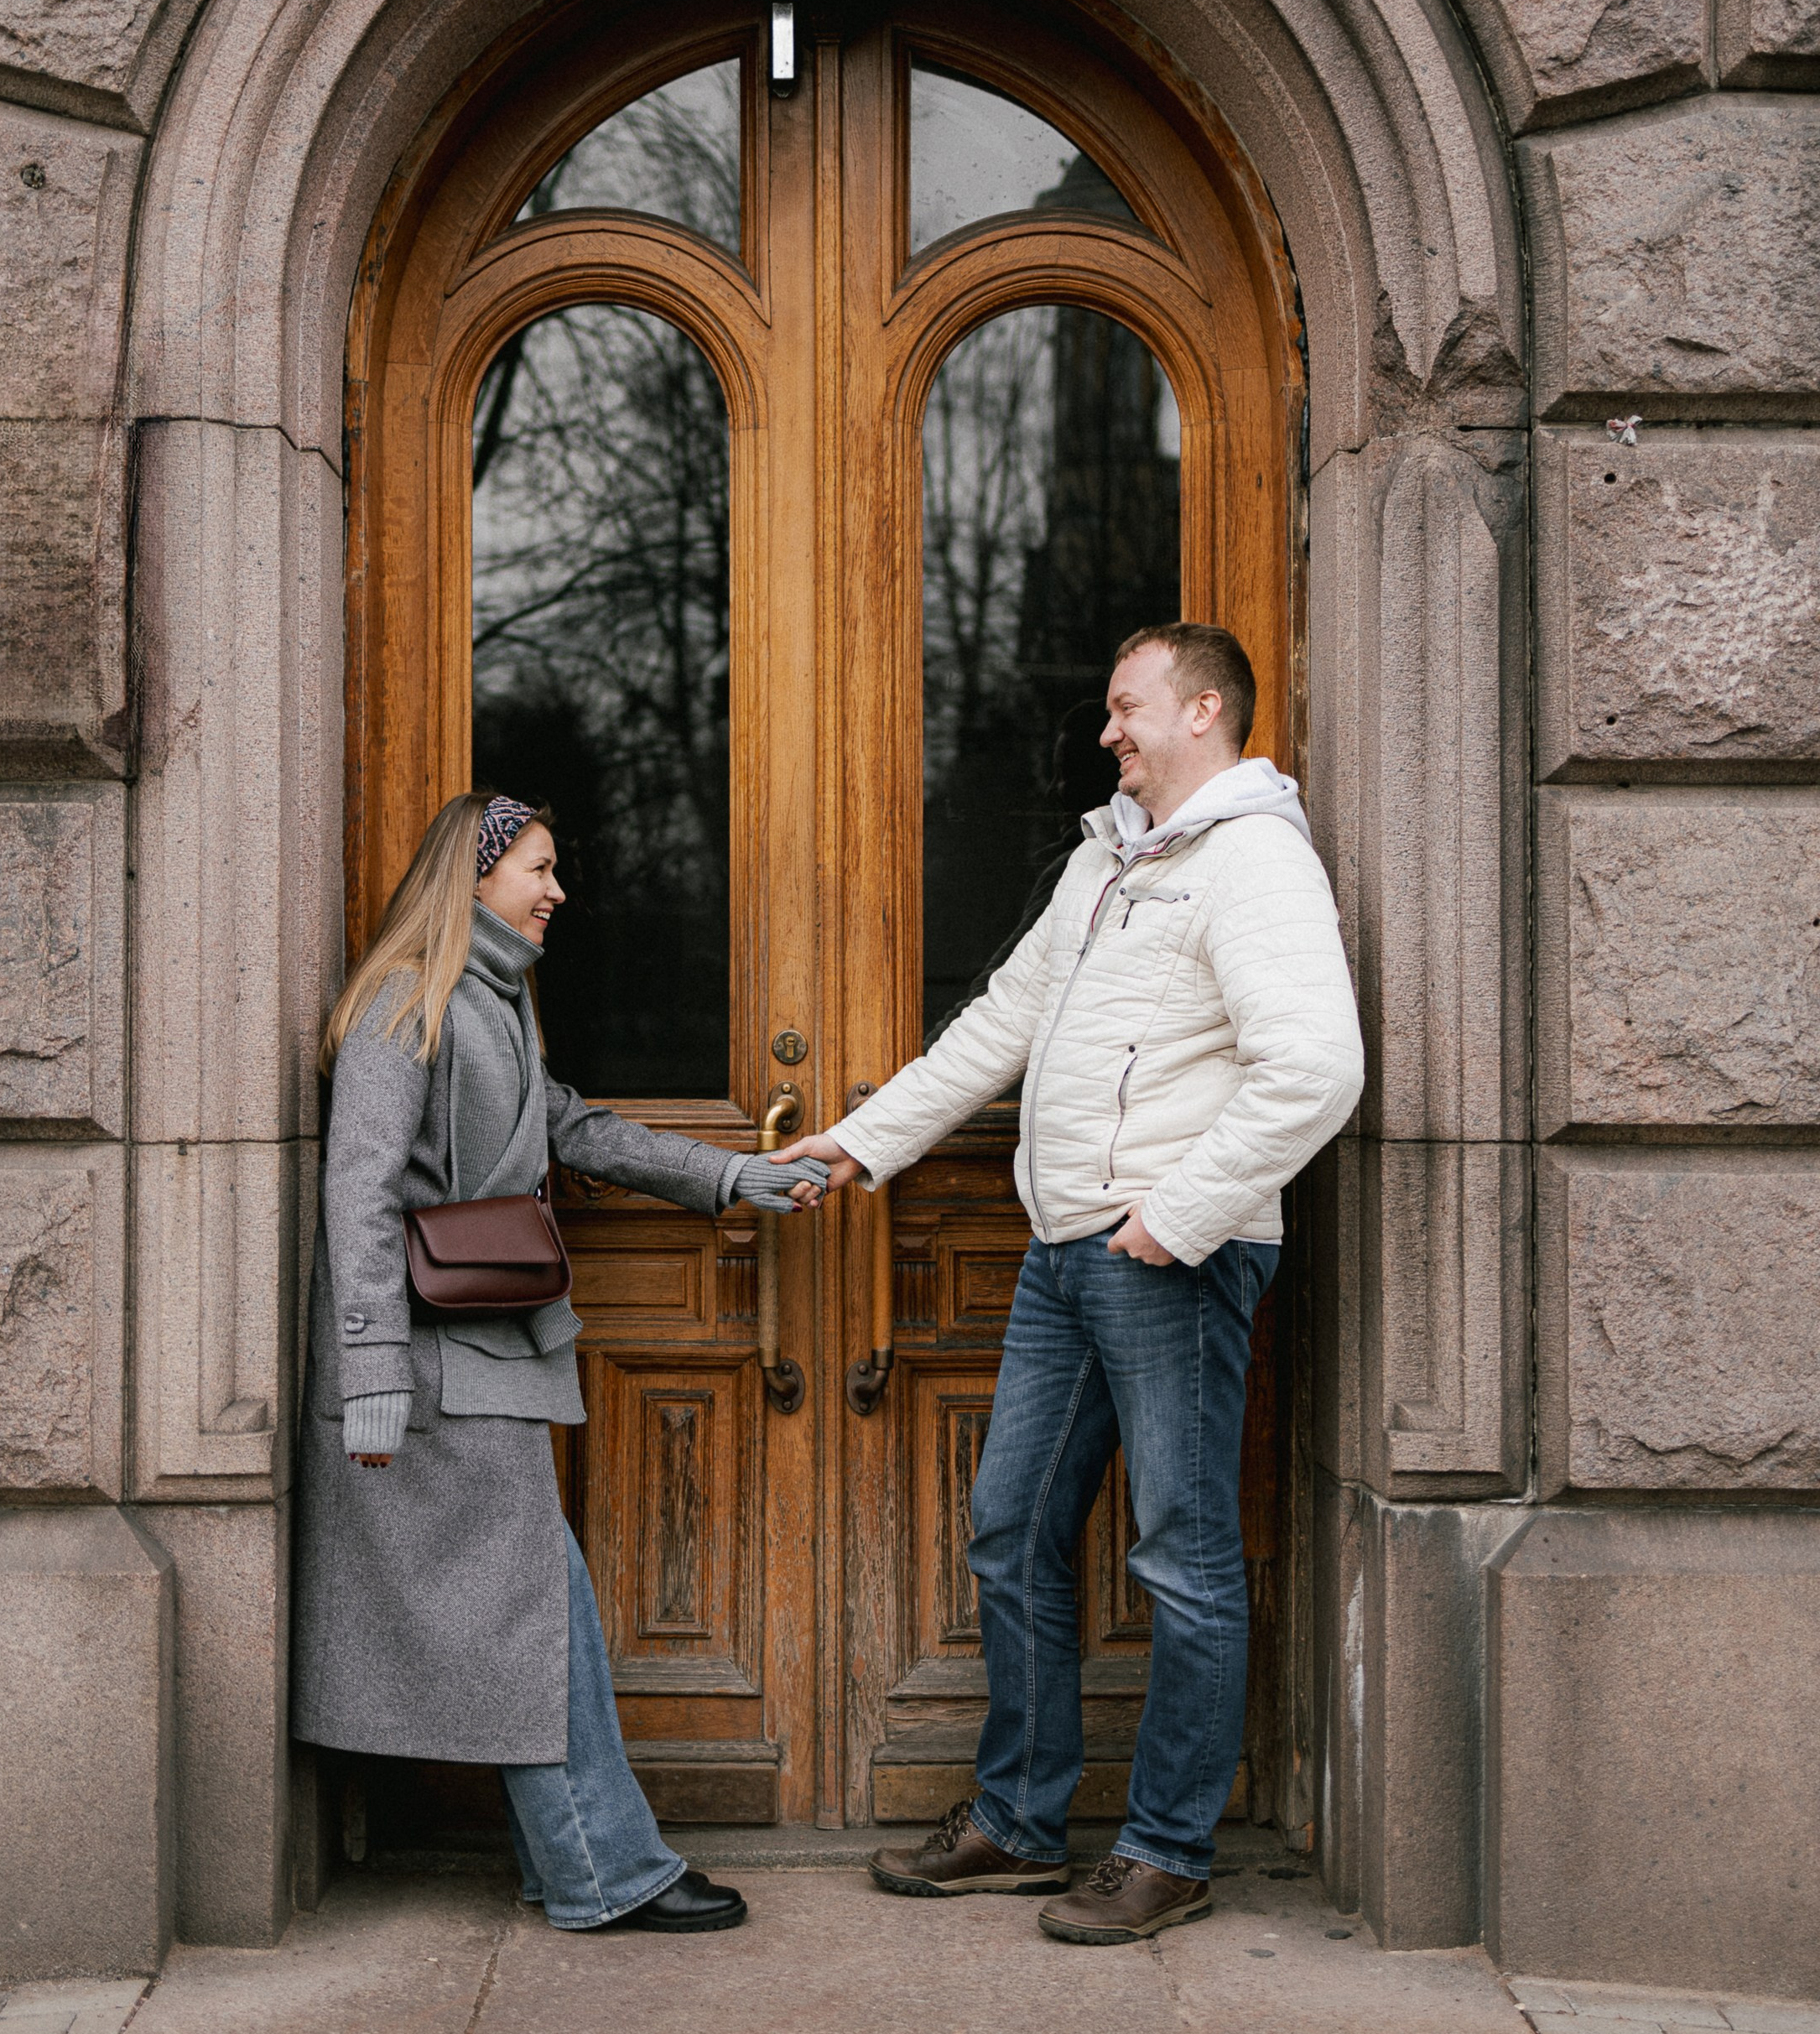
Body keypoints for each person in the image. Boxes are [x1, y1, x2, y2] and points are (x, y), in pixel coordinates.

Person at [779, 625, 1363, 1947]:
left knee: (1184, 1556)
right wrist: (863, 1143)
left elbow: (1317, 1067)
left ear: (1203, 710)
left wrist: (1180, 1216)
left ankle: (1167, 1851)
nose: (1110, 731)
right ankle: (1018, 1823)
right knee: (1011, 1524)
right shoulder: (1111, 861)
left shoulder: (1256, 862)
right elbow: (1002, 1019)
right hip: (1066, 1258)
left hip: (1169, 1259)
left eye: (1128, 707)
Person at [293, 788, 825, 1933]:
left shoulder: (492, 1002)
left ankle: (584, 1866)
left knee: (537, 1617)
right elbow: (361, 1191)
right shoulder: (405, 1004)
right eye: (538, 867)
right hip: (435, 1377)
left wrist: (732, 1178)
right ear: (473, 878)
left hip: (485, 1362)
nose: (556, 890)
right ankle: (602, 1871)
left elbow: (573, 1128)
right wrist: (372, 1372)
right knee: (538, 1619)